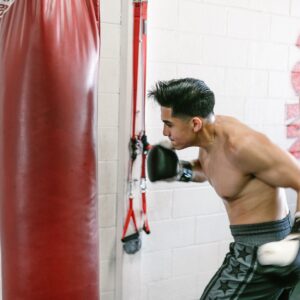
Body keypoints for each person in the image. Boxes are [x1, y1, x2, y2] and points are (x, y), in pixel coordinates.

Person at [146, 78, 300, 299]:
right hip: (248, 245)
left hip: (263, 252)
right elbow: (209, 170)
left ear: (195, 123)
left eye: (169, 124)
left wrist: (296, 241)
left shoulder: (242, 145)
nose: (164, 132)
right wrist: (181, 171)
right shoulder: (209, 139)